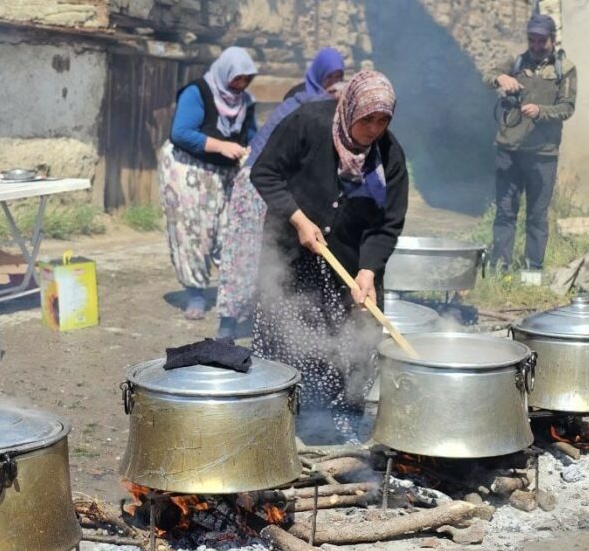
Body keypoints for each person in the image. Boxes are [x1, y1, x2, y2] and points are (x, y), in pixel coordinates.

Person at [250, 70, 408, 439]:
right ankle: (283, 428)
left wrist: (369, 270)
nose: (374, 128)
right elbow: (265, 173)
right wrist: (299, 220)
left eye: (383, 120)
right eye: (367, 119)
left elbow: (387, 223)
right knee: (294, 344)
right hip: (294, 257)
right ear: (349, 108)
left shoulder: (388, 155)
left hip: (351, 265)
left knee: (353, 345)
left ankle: (338, 430)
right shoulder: (308, 123)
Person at [215, 48, 346, 340]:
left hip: (278, 186)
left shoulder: (324, 106)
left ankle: (256, 319)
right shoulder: (302, 103)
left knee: (269, 253)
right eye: (330, 76)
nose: (334, 83)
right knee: (242, 251)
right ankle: (227, 321)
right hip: (256, 181)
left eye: (339, 76)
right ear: (317, 75)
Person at [160, 47, 258, 320]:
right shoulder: (198, 92)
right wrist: (220, 146)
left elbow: (251, 136)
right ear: (226, 72)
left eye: (246, 79)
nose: (241, 85)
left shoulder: (246, 101)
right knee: (193, 232)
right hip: (189, 171)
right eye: (237, 78)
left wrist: (251, 151)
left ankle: (234, 295)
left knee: (231, 233)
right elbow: (180, 133)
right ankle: (195, 294)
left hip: (225, 174)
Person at [483, 13, 577, 272]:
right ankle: (499, 269)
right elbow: (488, 75)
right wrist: (500, 78)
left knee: (536, 217)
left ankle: (532, 271)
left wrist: (541, 112)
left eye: (541, 41)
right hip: (508, 150)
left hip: (543, 154)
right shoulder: (516, 62)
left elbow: (567, 108)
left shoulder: (565, 70)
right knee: (505, 213)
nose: (535, 46)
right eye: (532, 40)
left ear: (552, 40)